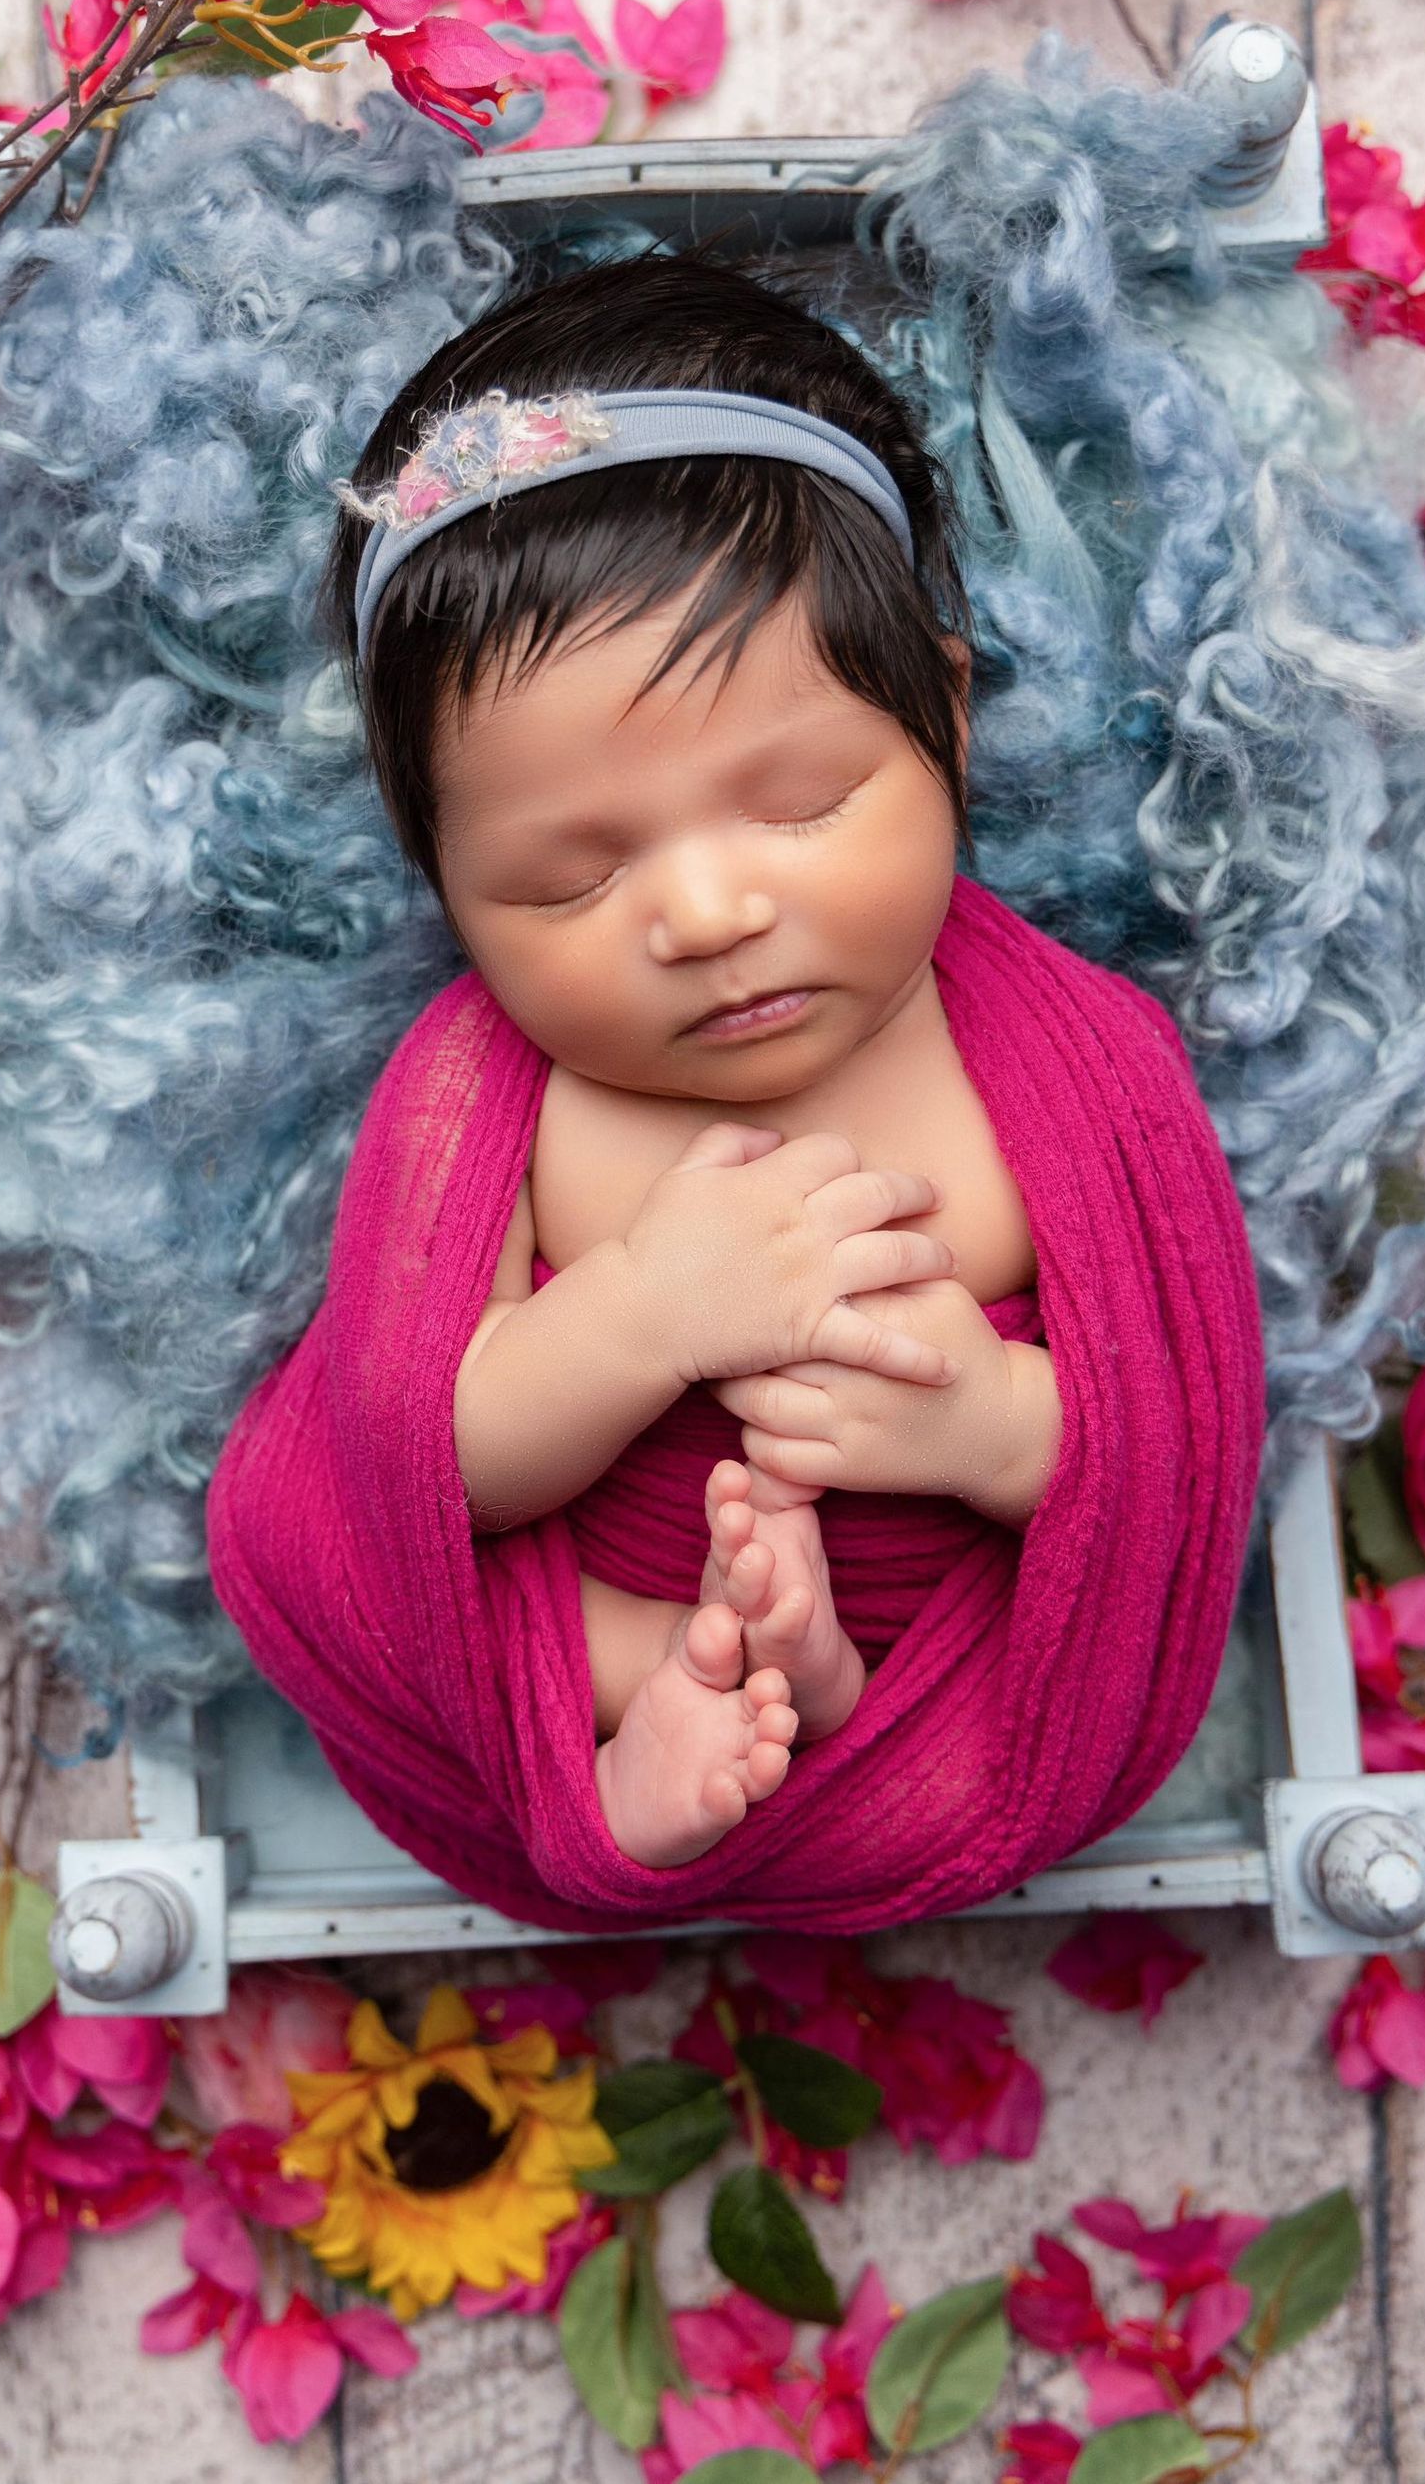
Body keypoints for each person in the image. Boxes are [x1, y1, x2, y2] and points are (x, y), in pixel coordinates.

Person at [321, 252, 1072, 1868]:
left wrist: (1000, 1426)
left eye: (801, 806)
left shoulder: (1068, 1065)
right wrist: (647, 1314)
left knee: (1081, 1550)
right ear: (439, 881)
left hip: (971, 1654)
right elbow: (422, 1463)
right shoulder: (491, 1106)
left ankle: (823, 1698)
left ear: (943, 713)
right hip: (598, 1616)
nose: (710, 913)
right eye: (567, 882)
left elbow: (1180, 1420)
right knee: (301, 1538)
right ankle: (658, 1672)